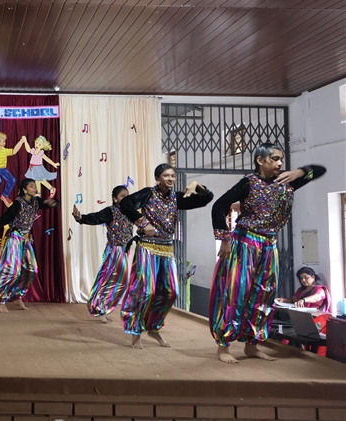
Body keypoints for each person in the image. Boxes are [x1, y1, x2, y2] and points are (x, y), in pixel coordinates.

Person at [210, 146, 327, 363]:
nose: (280, 163)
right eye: (274, 159)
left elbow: (319, 170)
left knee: (263, 295)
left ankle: (252, 345)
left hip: (269, 246)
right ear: (260, 160)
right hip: (245, 243)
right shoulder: (248, 183)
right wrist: (224, 239)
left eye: (281, 159)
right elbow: (219, 206)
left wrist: (300, 172)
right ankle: (223, 347)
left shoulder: (287, 182)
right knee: (236, 294)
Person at [119, 164, 213, 349]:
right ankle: (136, 331)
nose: (170, 178)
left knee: (171, 292)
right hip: (147, 247)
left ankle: (153, 327)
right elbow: (125, 204)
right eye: (166, 175)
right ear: (157, 179)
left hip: (167, 249)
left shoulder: (177, 198)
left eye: (172, 175)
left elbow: (206, 199)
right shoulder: (148, 194)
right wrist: (143, 223)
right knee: (146, 292)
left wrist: (197, 185)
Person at [0, 178, 57, 313]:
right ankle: (1, 300)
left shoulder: (35, 202)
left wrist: (52, 202)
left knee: (32, 270)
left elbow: (51, 203)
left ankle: (17, 295)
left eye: (35, 186)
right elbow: (5, 218)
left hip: (26, 240)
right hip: (15, 238)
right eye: (31, 186)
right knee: (12, 271)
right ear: (24, 190)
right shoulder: (17, 203)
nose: (35, 188)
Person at [73, 185, 134, 323]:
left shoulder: (131, 211)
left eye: (128, 196)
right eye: (122, 196)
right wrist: (80, 217)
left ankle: (100, 308)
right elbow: (96, 218)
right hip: (115, 250)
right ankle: (99, 308)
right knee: (113, 280)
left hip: (124, 250)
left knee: (117, 281)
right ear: (115, 199)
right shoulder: (111, 211)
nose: (126, 198)